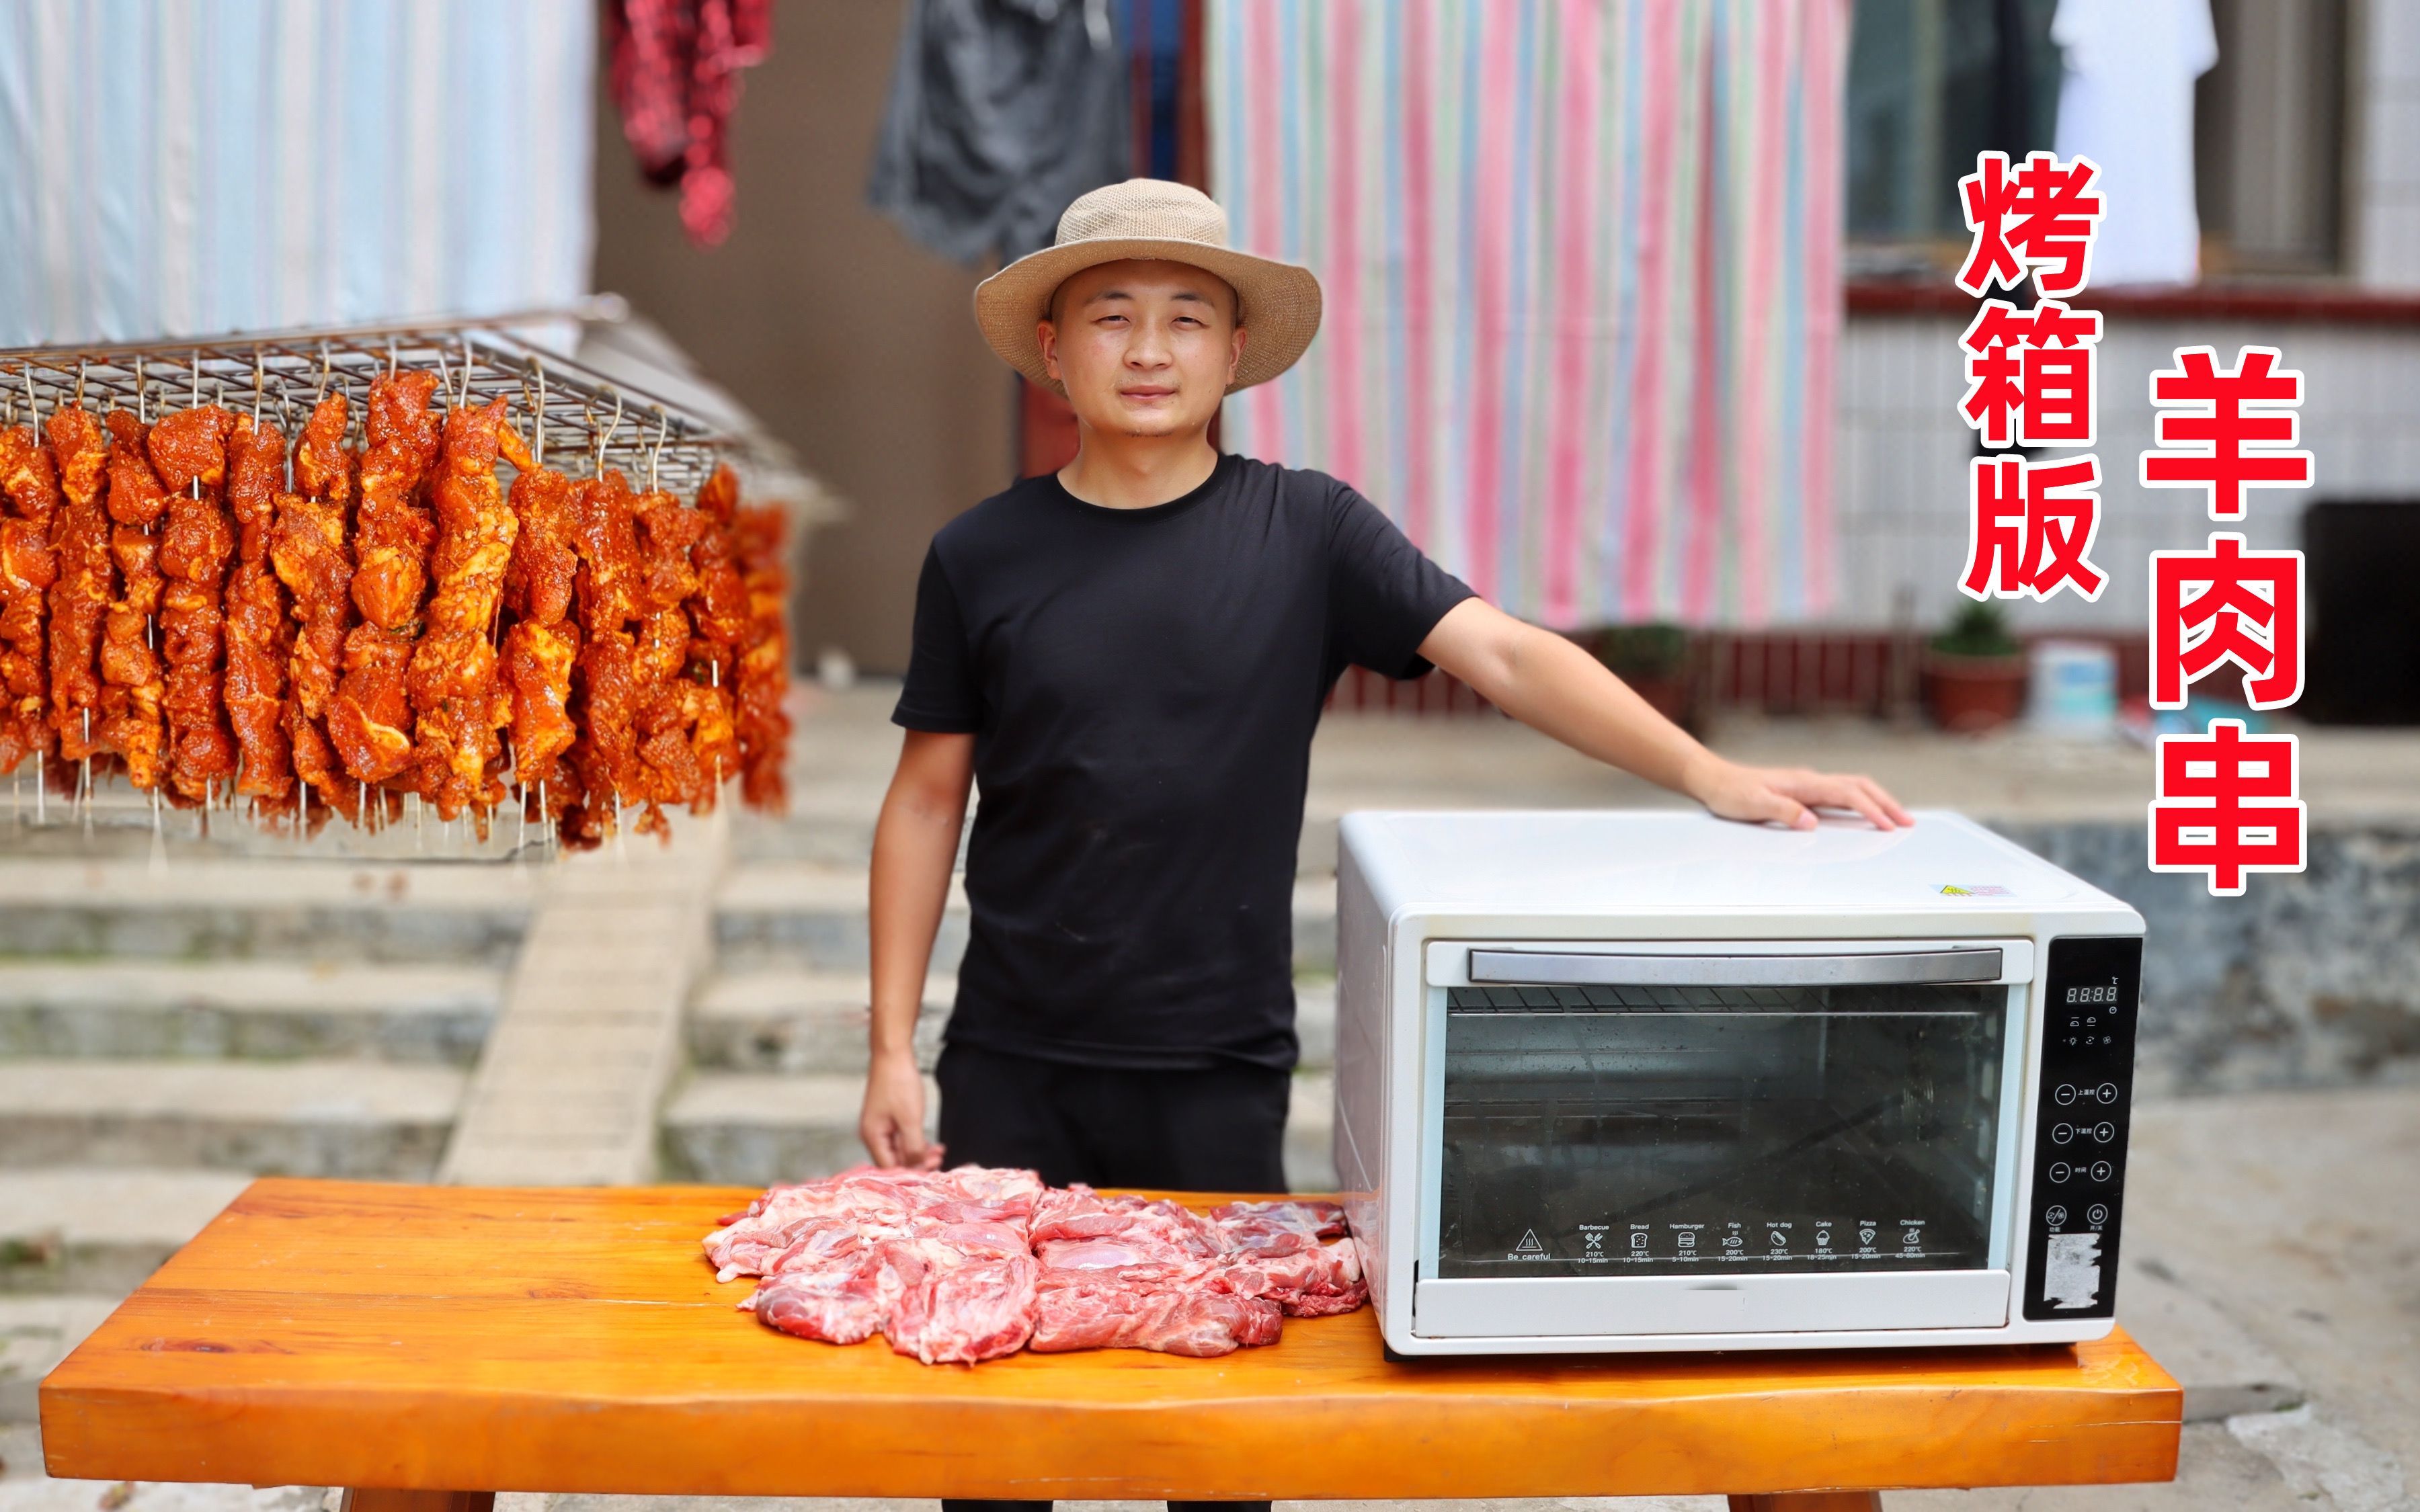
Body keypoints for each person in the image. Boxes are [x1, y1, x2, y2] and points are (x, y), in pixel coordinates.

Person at [859, 179, 1911, 1512]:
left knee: (1224, 1441)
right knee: (999, 1441)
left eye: (1186, 319)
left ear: (1235, 354)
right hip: (1012, 1055)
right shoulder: (982, 554)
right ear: (1052, 350)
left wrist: (1713, 774)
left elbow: (1507, 654)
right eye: (1111, 317)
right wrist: (893, 1046)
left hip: (1215, 1064)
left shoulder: (1307, 531)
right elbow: (922, 801)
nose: (1147, 350)